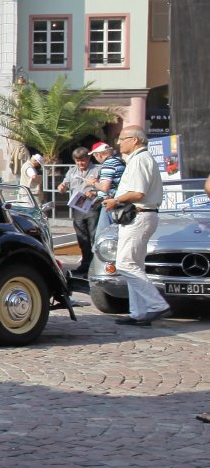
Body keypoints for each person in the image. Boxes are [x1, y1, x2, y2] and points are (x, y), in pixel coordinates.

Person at [103, 126, 171, 326]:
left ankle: (157, 305)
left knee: (125, 264)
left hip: (139, 215)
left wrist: (116, 200)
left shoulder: (140, 159)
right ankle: (139, 312)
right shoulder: (140, 159)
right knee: (135, 265)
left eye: (122, 138)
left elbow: (138, 193)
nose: (118, 143)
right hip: (141, 215)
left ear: (135, 140)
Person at [56, 146, 100, 276]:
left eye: (83, 160)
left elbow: (105, 187)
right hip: (78, 209)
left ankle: (96, 266)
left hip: (93, 207)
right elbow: (64, 186)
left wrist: (94, 192)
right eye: (77, 161)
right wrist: (61, 187)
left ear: (88, 158)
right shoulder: (71, 172)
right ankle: (85, 264)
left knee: (94, 237)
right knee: (82, 239)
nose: (80, 163)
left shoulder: (98, 170)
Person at [92, 141, 124, 232]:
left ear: (98, 155)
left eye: (94, 156)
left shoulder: (108, 164)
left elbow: (104, 188)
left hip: (110, 203)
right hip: (118, 201)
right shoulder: (119, 161)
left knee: (102, 235)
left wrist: (93, 183)